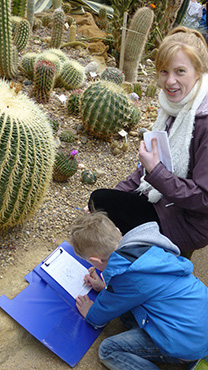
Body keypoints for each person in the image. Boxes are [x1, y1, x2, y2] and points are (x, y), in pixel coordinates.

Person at [87, 26, 208, 259]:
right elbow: (143, 174)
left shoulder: (202, 122)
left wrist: (157, 172)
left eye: (180, 71)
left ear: (199, 72)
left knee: (102, 208)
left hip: (187, 222)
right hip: (162, 200)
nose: (170, 81)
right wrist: (105, 209)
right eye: (164, 71)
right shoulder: (174, 107)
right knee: (100, 202)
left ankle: (163, 259)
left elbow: (204, 199)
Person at [71, 211, 208, 370]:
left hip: (187, 343)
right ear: (117, 230)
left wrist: (91, 314)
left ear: (95, 261)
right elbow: (140, 289)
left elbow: (101, 315)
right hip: (199, 321)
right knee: (126, 313)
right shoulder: (147, 246)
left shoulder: (127, 275)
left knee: (108, 350)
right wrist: (105, 288)